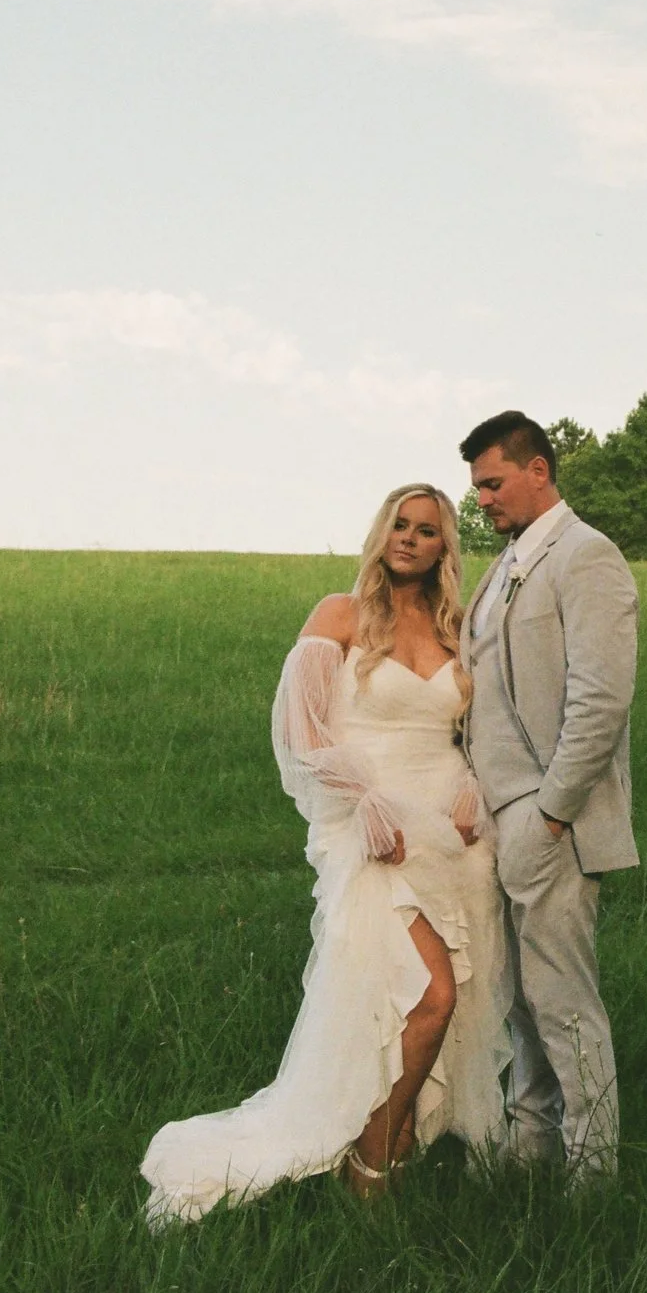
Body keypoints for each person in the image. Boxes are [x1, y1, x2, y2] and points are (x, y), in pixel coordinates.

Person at [140, 484, 509, 1225]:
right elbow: (305, 733)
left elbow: (482, 733)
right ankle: (375, 1155)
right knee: (427, 993)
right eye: (398, 525)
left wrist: (474, 783)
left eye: (426, 530)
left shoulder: (460, 629)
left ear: (445, 547)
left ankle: (398, 1134)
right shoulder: (338, 615)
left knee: (455, 999)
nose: (408, 538)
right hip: (371, 823)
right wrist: (364, 800)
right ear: (382, 534)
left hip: (454, 830)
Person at [460, 411, 638, 1181]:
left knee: (563, 1003)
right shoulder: (503, 565)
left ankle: (593, 1174)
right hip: (501, 817)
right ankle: (530, 1150)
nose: (484, 501)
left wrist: (553, 811)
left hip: (551, 818)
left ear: (538, 470)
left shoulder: (587, 556)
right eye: (477, 489)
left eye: (493, 484)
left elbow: (599, 701)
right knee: (522, 1001)